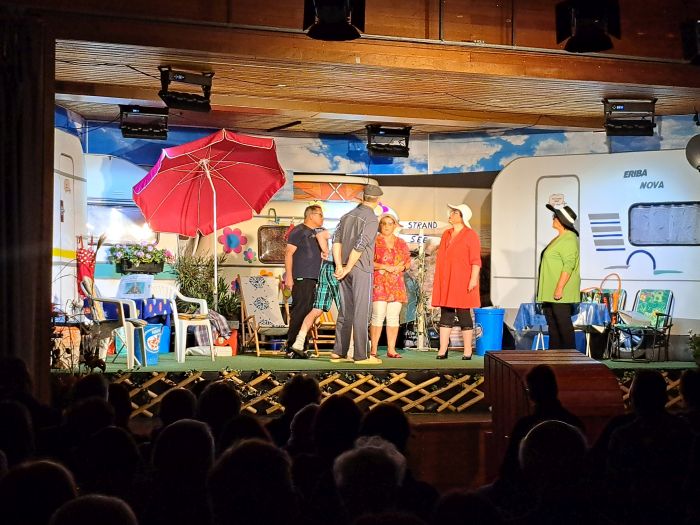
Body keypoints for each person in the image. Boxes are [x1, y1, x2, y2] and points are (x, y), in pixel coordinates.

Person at [332, 184, 383, 364]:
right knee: (362, 311)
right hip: (360, 268)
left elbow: (336, 241)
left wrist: (340, 265)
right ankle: (361, 355)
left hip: (344, 266)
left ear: (362, 197)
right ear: (378, 200)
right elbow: (360, 245)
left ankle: (338, 352)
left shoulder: (346, 216)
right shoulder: (371, 218)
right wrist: (347, 267)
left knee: (346, 310)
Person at [431, 203, 481, 360]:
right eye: (451, 212)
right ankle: (443, 348)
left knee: (463, 313)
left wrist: (473, 279)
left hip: (463, 279)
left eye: (455, 213)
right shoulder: (446, 234)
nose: (451, 215)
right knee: (446, 313)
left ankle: (468, 349)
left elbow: (475, 260)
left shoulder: (470, 235)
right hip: (447, 279)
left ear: (462, 217)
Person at [284, 204, 326, 358]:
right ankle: (291, 348)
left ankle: (302, 346)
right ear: (311, 215)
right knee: (300, 311)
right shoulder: (299, 231)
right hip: (302, 276)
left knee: (309, 312)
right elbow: (288, 253)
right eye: (320, 214)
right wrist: (289, 276)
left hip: (314, 277)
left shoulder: (317, 233)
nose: (322, 218)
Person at [537, 204, 580, 349]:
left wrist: (559, 288)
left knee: (563, 326)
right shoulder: (560, 238)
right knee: (553, 328)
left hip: (560, 292)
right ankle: (554, 357)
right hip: (550, 292)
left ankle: (569, 357)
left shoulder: (569, 239)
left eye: (555, 216)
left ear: (562, 221)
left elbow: (569, 265)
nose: (553, 218)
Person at [370, 213, 411, 358]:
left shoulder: (401, 242)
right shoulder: (374, 241)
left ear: (395, 225)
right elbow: (367, 262)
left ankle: (391, 349)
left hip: (397, 283)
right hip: (379, 283)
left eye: (390, 223)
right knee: (378, 315)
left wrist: (402, 267)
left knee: (393, 317)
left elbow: (407, 262)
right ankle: (373, 349)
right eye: (384, 223)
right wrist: (384, 266)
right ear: (379, 225)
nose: (386, 226)